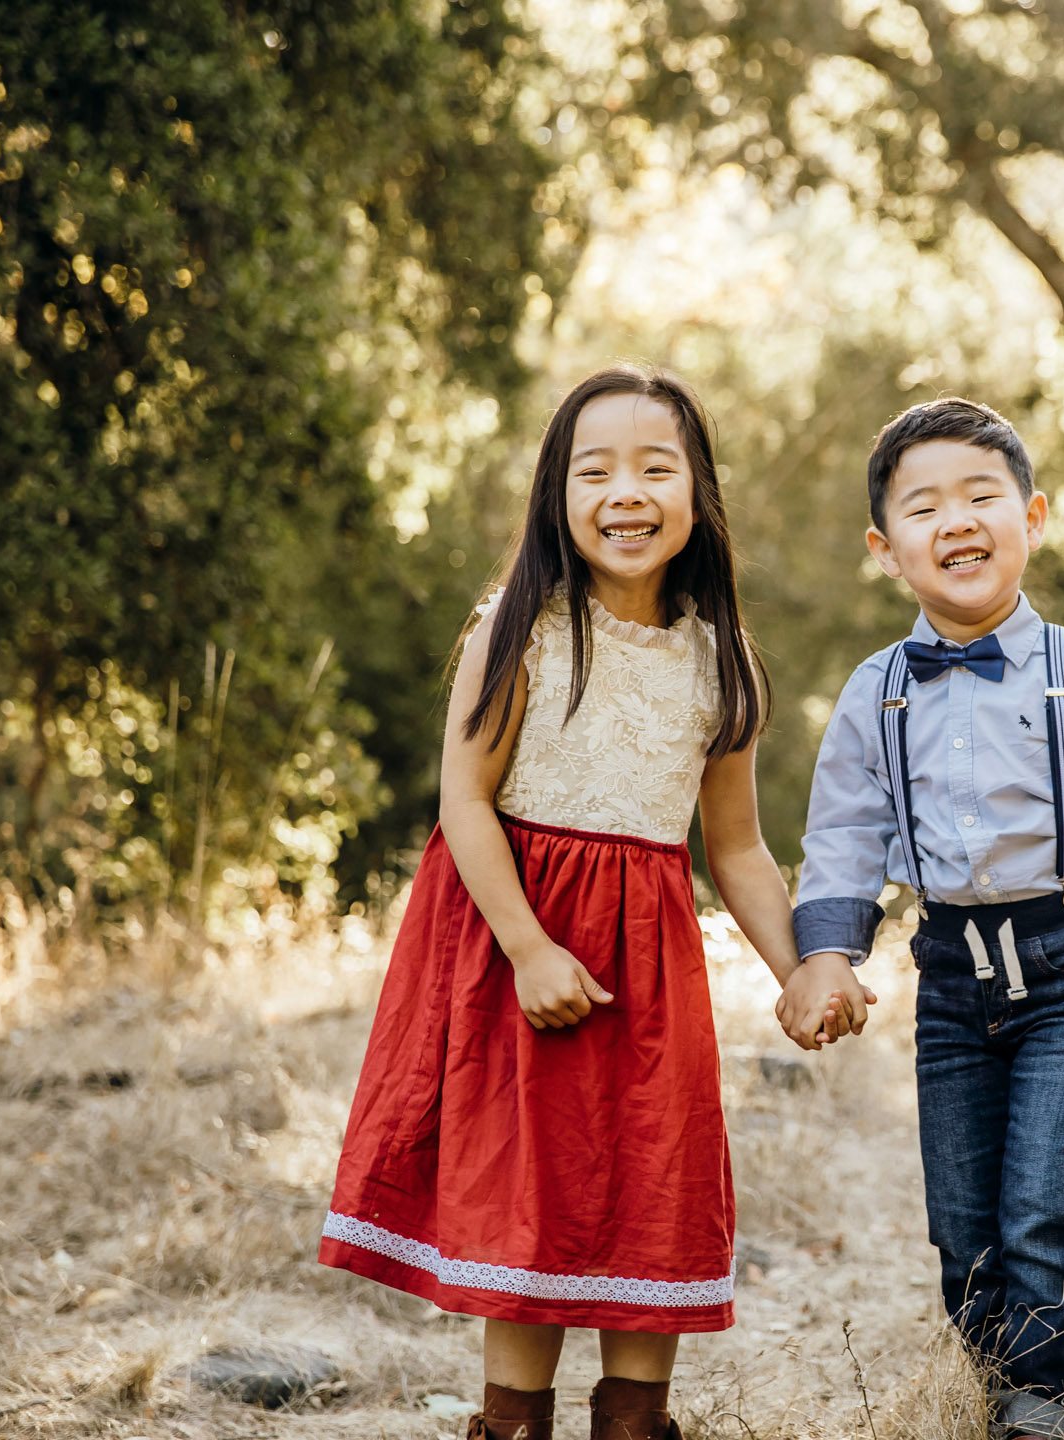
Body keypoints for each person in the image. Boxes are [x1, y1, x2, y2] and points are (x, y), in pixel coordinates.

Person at [320, 366, 822, 1440]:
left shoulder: (719, 661)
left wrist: (801, 970)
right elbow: (465, 799)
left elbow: (735, 848)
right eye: (594, 470)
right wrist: (529, 948)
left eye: (656, 467)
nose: (624, 492)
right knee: (529, 1199)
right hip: (520, 951)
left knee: (651, 1183)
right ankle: (512, 1423)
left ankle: (634, 1425)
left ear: (699, 497)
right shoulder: (520, 627)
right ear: (558, 494)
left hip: (648, 971)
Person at [782, 399, 1064, 1439]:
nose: (957, 521)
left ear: (1035, 515)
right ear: (886, 550)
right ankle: (991, 1384)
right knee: (965, 1223)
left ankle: (1047, 1408)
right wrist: (828, 954)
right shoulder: (875, 692)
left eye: (982, 496)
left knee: (1049, 1208)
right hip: (951, 978)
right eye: (923, 506)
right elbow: (842, 832)